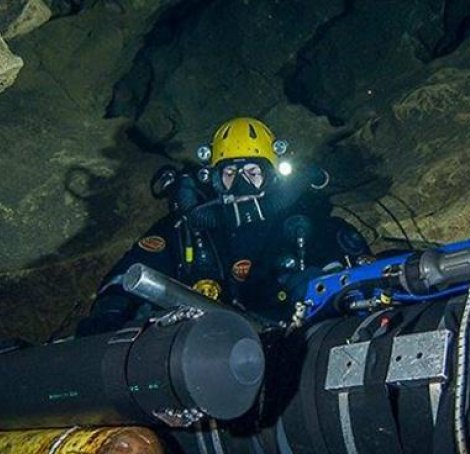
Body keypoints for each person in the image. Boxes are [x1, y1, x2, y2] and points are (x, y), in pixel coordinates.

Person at [77, 116, 371, 335]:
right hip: (205, 354)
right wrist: (109, 316)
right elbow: (127, 275)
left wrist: (323, 290)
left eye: (253, 172)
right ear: (215, 178)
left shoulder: (306, 223)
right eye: (230, 172)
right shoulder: (189, 227)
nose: (241, 183)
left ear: (272, 175)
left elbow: (360, 282)